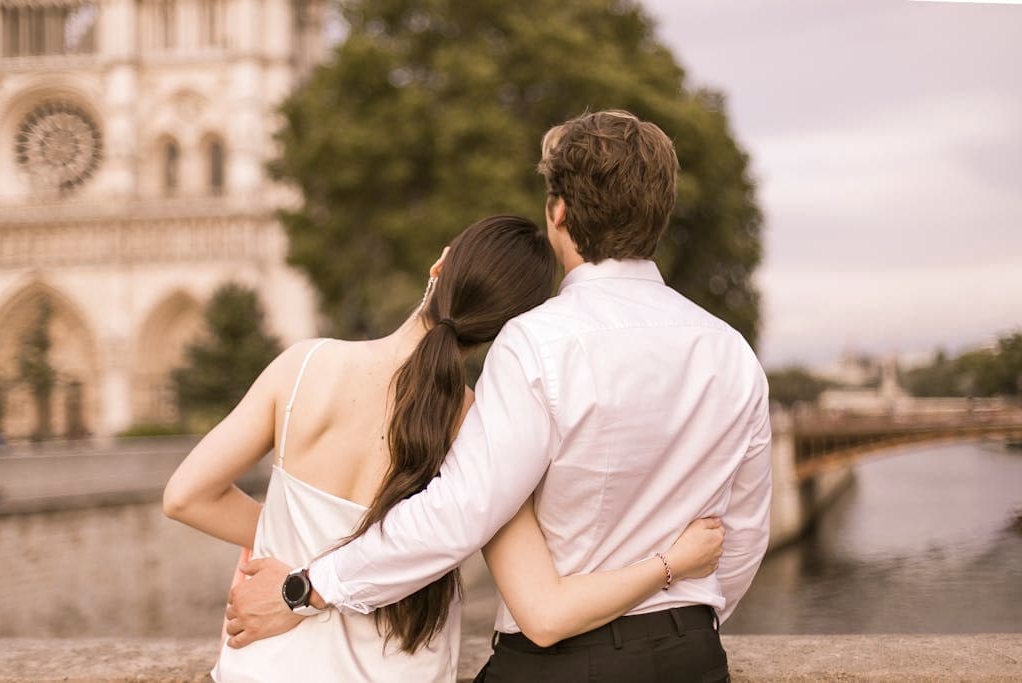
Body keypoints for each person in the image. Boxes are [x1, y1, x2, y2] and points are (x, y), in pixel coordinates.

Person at [228, 110, 772, 683]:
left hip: (565, 664)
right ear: (660, 216)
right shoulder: (730, 350)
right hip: (694, 658)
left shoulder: (536, 343)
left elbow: (456, 516)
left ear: (558, 212)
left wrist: (306, 587)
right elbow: (742, 541)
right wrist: (680, 619)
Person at [163, 214, 727, 682]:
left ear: (439, 267)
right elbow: (545, 610)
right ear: (510, 329)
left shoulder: (305, 366)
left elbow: (186, 496)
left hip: (263, 666)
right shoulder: (480, 426)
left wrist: (292, 549)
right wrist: (673, 563)